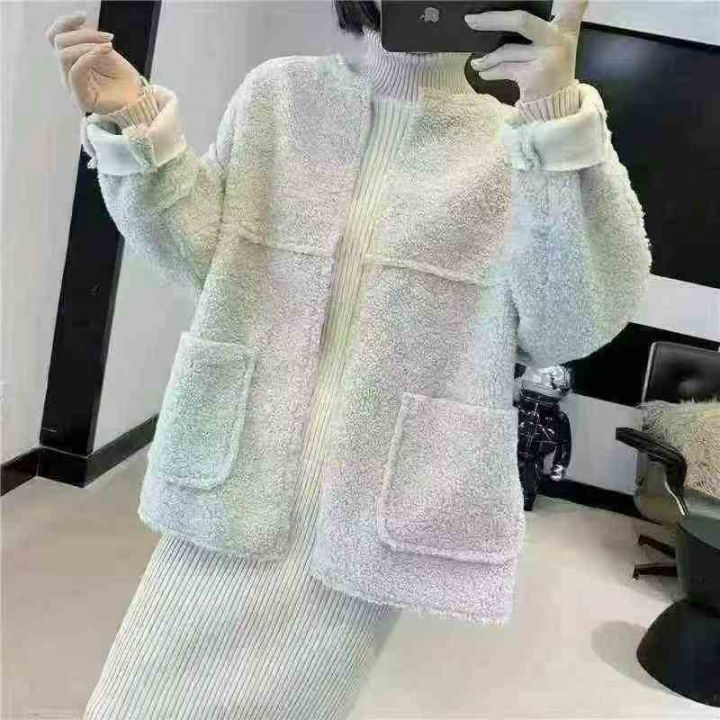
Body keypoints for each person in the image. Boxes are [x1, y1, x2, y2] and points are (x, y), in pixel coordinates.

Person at [45, 1, 651, 717]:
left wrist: (555, 119)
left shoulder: (510, 147)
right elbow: (200, 256)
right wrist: (134, 122)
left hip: (373, 504)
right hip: (237, 471)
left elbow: (569, 322)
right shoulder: (281, 96)